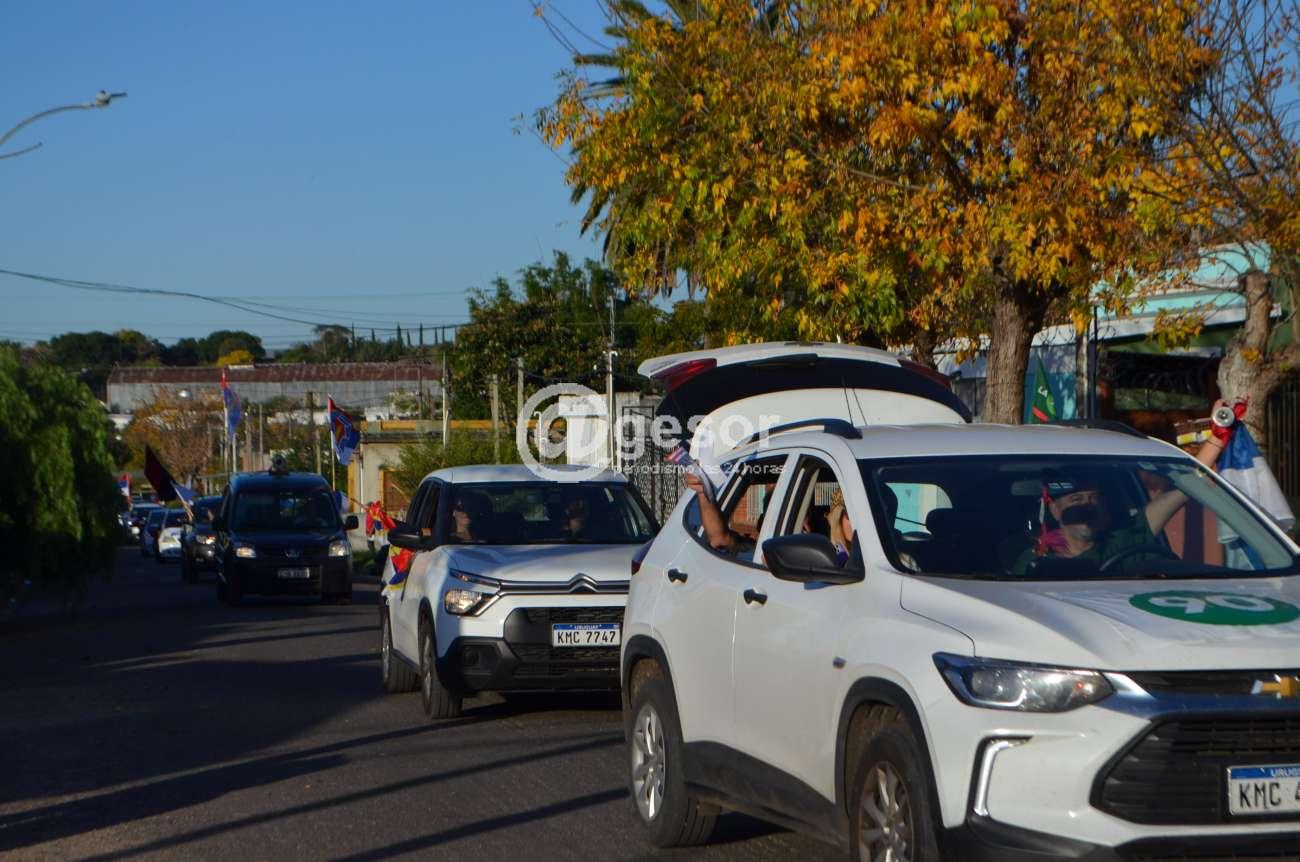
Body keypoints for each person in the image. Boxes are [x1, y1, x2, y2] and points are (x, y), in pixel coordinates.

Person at [1012, 399, 1231, 575]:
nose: (1087, 507)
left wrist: (1219, 436)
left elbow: (1187, 485)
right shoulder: (1037, 559)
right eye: (1076, 500)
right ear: (1054, 509)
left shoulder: (1125, 539)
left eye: (1094, 498)